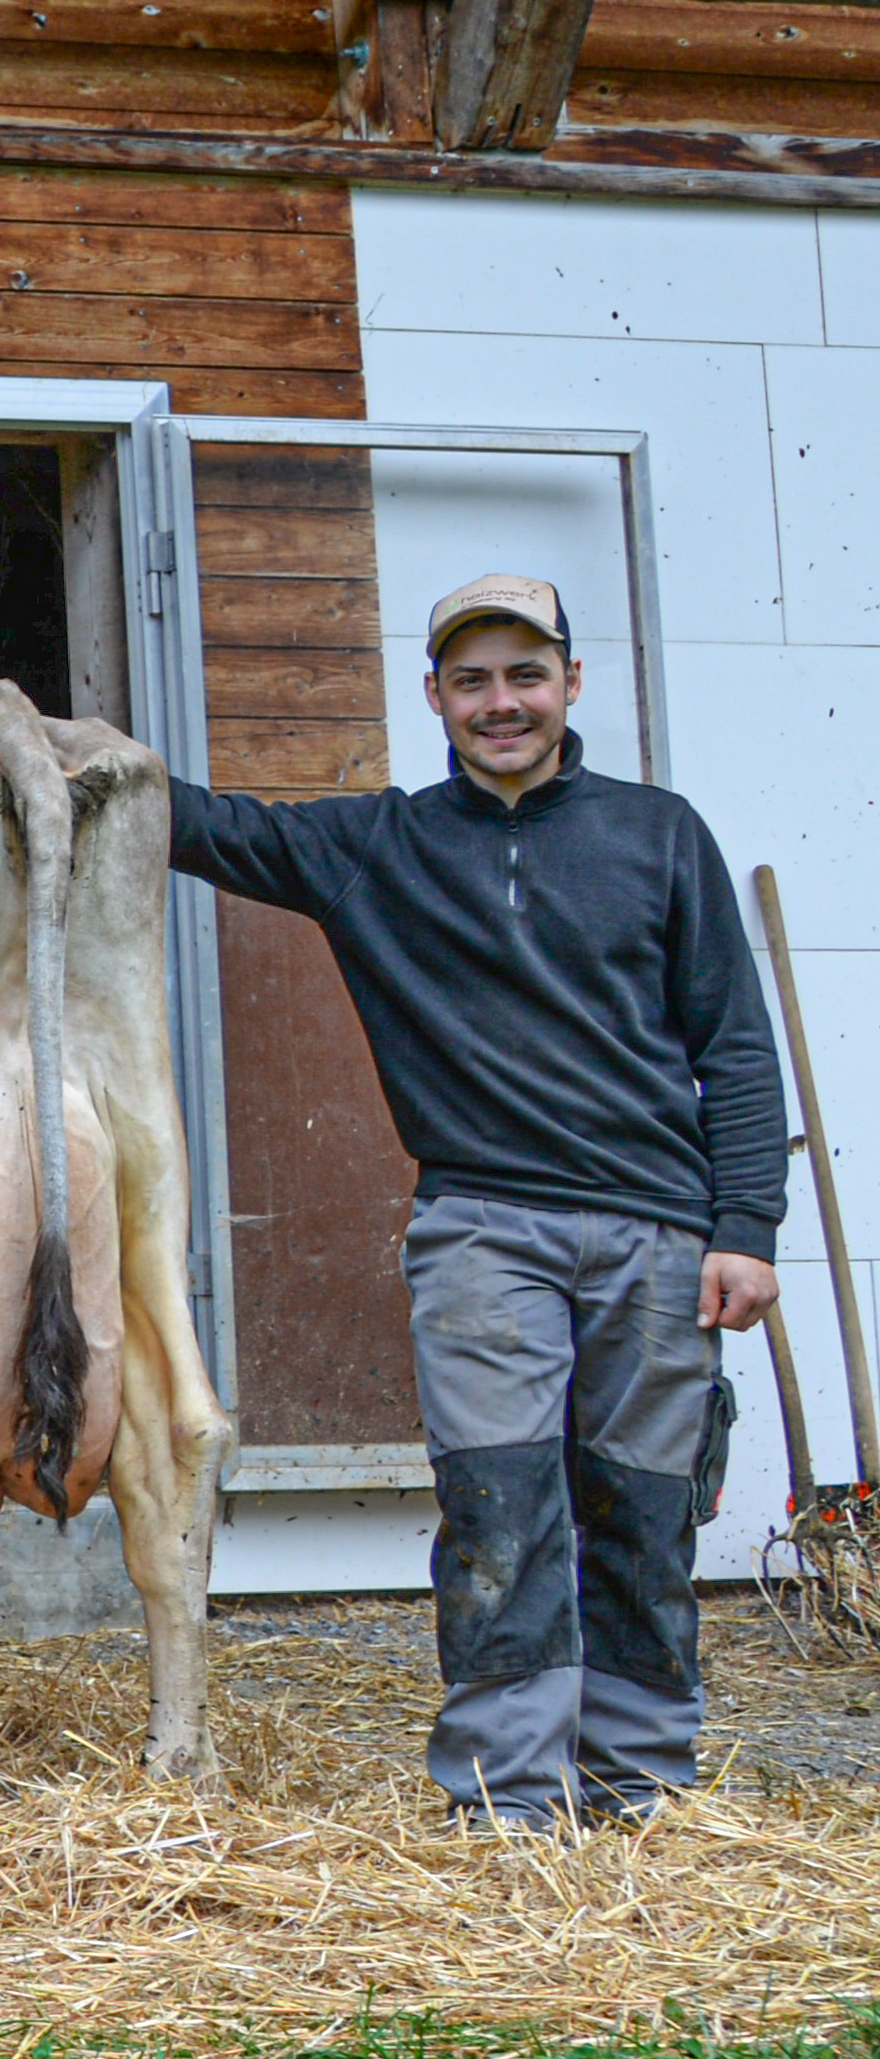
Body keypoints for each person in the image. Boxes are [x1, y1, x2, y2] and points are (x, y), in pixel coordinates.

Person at [166, 573, 784, 1825]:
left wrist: (745, 1229)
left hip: (655, 1234)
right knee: (498, 1503)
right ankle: (507, 1800)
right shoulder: (377, 846)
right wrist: (6, 724)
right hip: (482, 1231)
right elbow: (188, 818)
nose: (500, 702)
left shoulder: (660, 834)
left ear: (568, 682)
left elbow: (734, 1045)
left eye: (523, 673)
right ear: (434, 695)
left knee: (644, 1506)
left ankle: (641, 1782)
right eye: (471, 678)